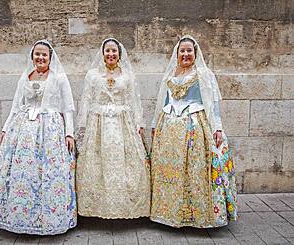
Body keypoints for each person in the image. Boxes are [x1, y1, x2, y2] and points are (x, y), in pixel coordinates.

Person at [0, 40, 77, 235]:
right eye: (37, 54)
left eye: (44, 55)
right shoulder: (25, 77)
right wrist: (6, 129)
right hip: (23, 132)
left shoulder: (59, 78)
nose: (40, 58)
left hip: (50, 130)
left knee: (47, 173)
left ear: (50, 57)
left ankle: (49, 217)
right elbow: (16, 106)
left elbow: (68, 107)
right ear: (32, 56)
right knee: (23, 173)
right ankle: (22, 216)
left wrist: (69, 133)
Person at [150, 35, 237, 228]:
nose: (186, 54)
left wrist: (218, 128)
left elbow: (212, 104)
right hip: (170, 129)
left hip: (195, 128)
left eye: (189, 51)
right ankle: (168, 213)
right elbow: (162, 102)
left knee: (194, 169)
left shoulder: (204, 75)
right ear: (177, 53)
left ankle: (197, 215)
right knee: (171, 170)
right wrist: (155, 124)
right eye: (182, 51)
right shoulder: (171, 74)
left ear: (195, 53)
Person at [75, 38, 150, 219]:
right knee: (96, 162)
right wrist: (82, 125)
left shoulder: (127, 75)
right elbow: (86, 99)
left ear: (119, 54)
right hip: (98, 123)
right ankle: (95, 208)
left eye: (114, 51)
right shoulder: (93, 75)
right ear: (102, 54)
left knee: (126, 162)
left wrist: (139, 123)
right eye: (107, 51)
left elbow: (134, 100)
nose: (111, 54)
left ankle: (127, 208)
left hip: (122, 122)